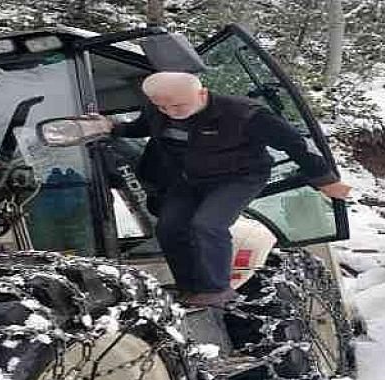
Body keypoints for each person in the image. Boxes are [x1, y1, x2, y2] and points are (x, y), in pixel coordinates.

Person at [102, 72, 351, 307]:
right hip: (187, 178)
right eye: (162, 107)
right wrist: (112, 128)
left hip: (238, 177)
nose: (170, 113)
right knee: (169, 227)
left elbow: (295, 145)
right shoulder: (159, 111)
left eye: (177, 106)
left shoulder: (245, 114)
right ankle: (189, 287)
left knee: (208, 224)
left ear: (202, 94)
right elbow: (140, 128)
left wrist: (326, 180)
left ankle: (216, 290)